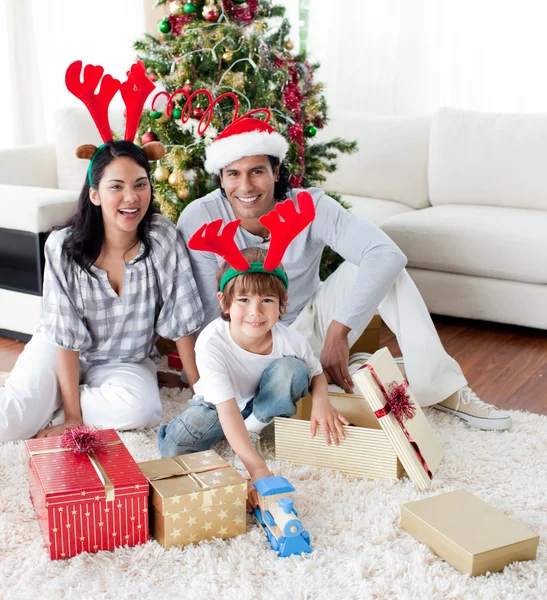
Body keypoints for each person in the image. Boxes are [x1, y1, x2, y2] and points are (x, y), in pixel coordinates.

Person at [177, 113, 511, 431]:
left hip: (306, 328)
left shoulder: (310, 206)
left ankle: (440, 386)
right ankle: (358, 370)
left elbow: (386, 253)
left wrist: (338, 331)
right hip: (244, 345)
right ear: (220, 177)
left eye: (257, 171)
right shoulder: (200, 218)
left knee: (384, 265)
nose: (245, 186)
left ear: (276, 170)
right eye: (233, 173)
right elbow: (212, 314)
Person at [0, 61, 204, 442]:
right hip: (60, 351)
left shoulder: (163, 238)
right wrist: (75, 417)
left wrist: (202, 394)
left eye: (141, 184)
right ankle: (52, 400)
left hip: (124, 361)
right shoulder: (63, 247)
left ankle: (53, 402)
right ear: (94, 194)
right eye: (117, 187)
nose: (131, 197)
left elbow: (182, 323)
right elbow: (64, 336)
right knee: (10, 424)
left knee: (142, 409)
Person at [158, 241, 349, 508]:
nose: (255, 312)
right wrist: (257, 468)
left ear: (282, 305)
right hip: (217, 405)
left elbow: (316, 374)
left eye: (267, 300)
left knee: (294, 370)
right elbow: (226, 410)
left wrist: (321, 403)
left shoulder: (290, 340)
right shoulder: (211, 342)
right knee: (174, 450)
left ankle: (253, 427)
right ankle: (237, 436)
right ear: (224, 303)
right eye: (244, 300)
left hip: (261, 399)